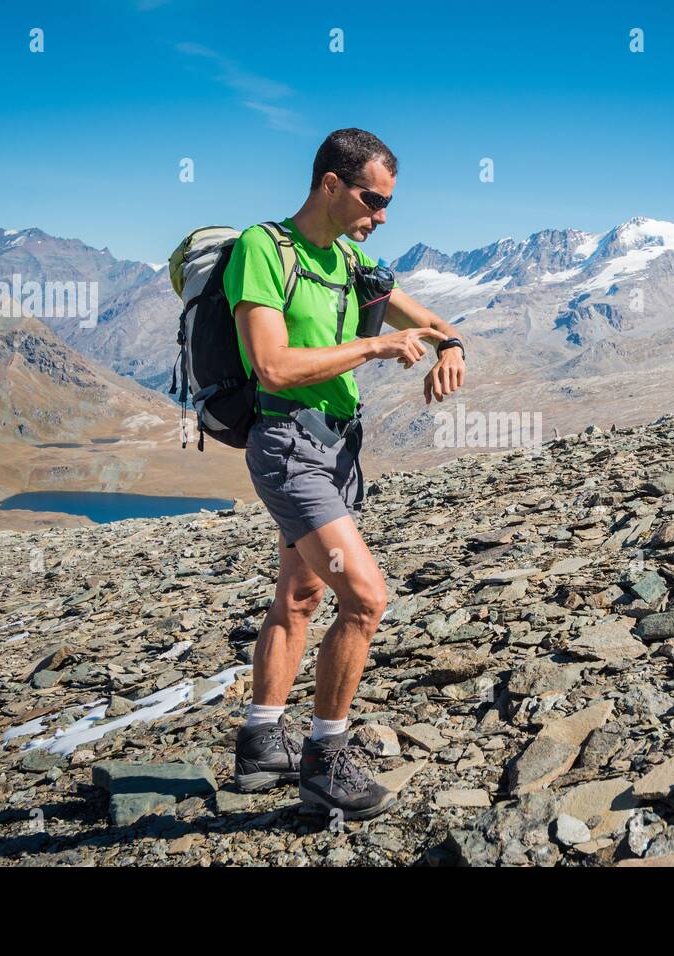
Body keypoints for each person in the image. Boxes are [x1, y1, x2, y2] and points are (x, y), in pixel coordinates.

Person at [226, 128, 466, 820]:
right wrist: (371, 345)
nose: (383, 215)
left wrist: (452, 347)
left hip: (335, 450)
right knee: (365, 598)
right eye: (374, 198)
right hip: (286, 445)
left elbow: (433, 322)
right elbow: (271, 365)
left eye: (388, 203)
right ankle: (325, 762)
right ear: (330, 183)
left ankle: (260, 740)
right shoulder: (262, 250)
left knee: (298, 597)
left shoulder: (354, 261)